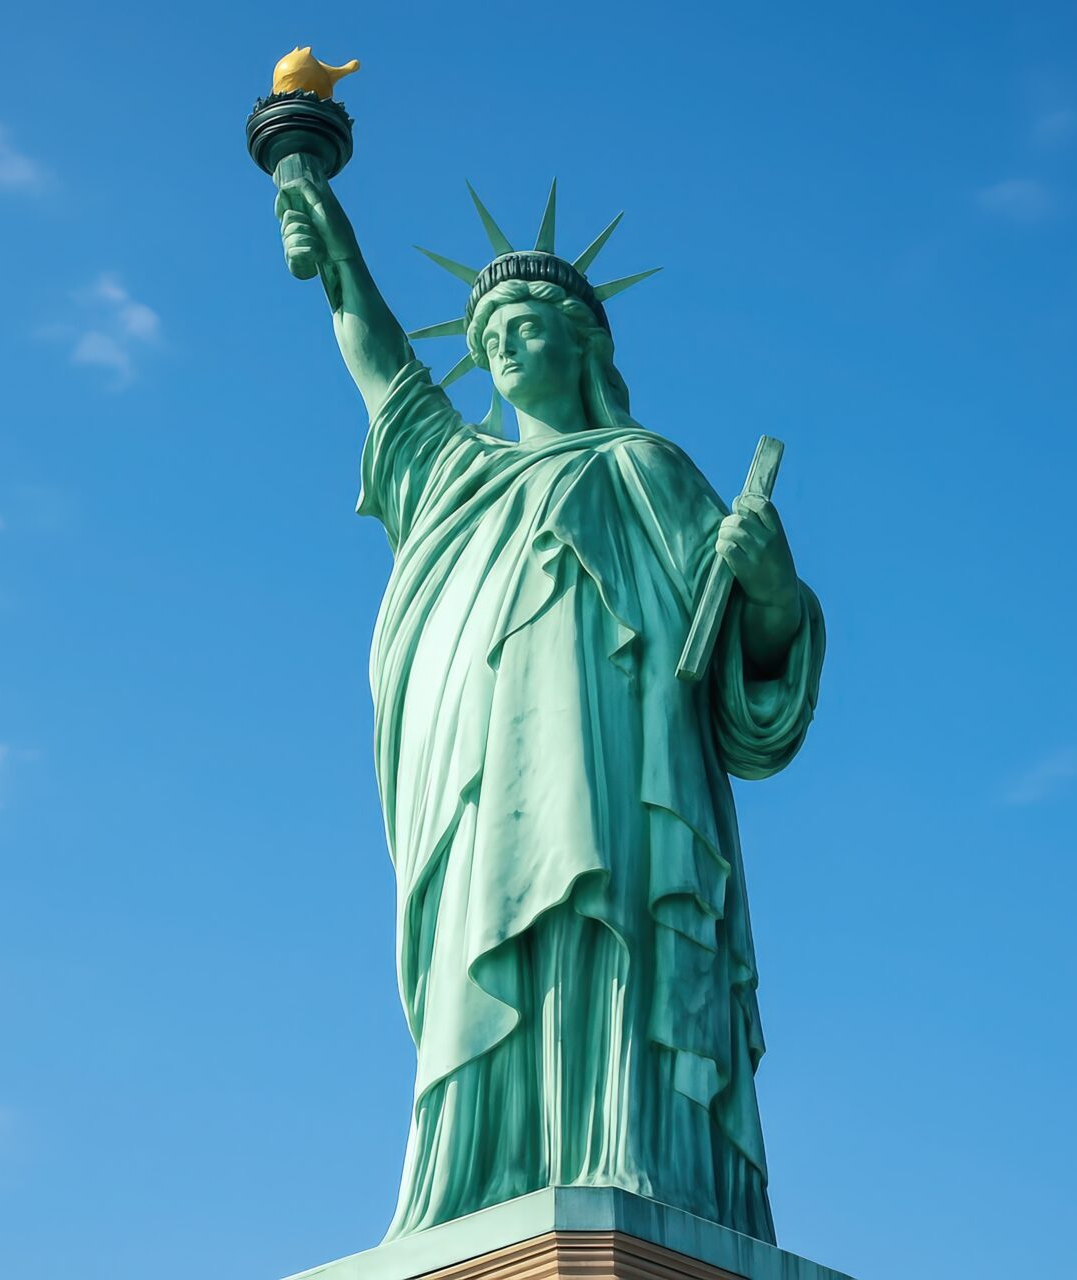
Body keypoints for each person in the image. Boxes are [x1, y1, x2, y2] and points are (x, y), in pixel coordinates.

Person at [275, 170, 826, 1243]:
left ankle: (631, 1149)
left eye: (527, 325)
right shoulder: (454, 474)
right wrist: (333, 241)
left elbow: (740, 679)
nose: (505, 348)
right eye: (490, 336)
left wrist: (770, 591)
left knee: (612, 934)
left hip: (625, 783)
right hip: (486, 791)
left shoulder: (646, 469)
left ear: (585, 346)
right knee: (490, 946)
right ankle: (486, 1172)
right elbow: (380, 363)